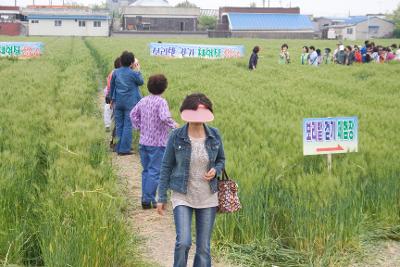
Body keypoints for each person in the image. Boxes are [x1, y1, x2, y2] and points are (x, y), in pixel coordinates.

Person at [157, 93, 225, 267]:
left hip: (208, 196)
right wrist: (161, 197)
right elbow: (166, 166)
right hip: (182, 195)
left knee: (203, 249)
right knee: (184, 242)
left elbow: (221, 160)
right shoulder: (176, 136)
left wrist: (215, 170)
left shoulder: (214, 135)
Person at [130, 74, 178, 209]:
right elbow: (164, 117)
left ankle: (145, 198)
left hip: (143, 141)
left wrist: (139, 126)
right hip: (158, 143)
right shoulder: (161, 102)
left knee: (146, 170)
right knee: (155, 171)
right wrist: (175, 125)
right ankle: (148, 200)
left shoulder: (143, 100)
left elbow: (132, 114)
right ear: (164, 88)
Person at [109, 51, 144, 155]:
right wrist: (138, 71)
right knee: (128, 125)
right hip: (130, 103)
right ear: (131, 63)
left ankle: (118, 147)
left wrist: (112, 99)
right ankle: (124, 149)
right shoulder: (133, 73)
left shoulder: (116, 72)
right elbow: (141, 82)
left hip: (118, 102)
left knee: (119, 125)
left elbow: (112, 87)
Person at [104, 57, 121, 133]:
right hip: (114, 96)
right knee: (112, 111)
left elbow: (108, 84)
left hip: (109, 94)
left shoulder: (112, 72)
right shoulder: (117, 73)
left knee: (108, 110)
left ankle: (107, 125)